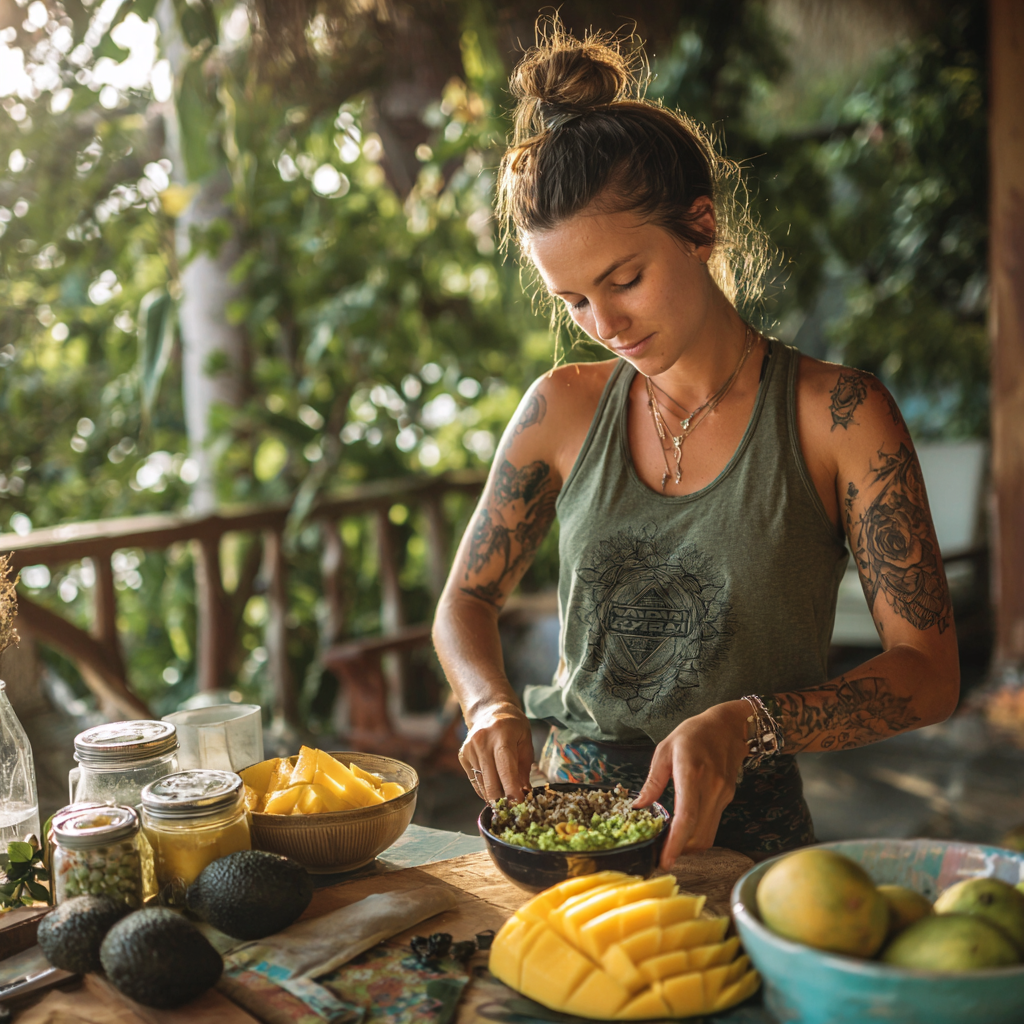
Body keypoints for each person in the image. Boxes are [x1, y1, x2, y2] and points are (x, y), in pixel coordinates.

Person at [431, 22, 959, 869]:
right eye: (573, 302)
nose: (606, 327)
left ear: (701, 229)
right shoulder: (560, 409)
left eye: (625, 280)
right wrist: (489, 705)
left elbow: (928, 672)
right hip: (564, 831)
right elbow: (464, 601)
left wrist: (752, 722)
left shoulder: (840, 415)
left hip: (747, 845)